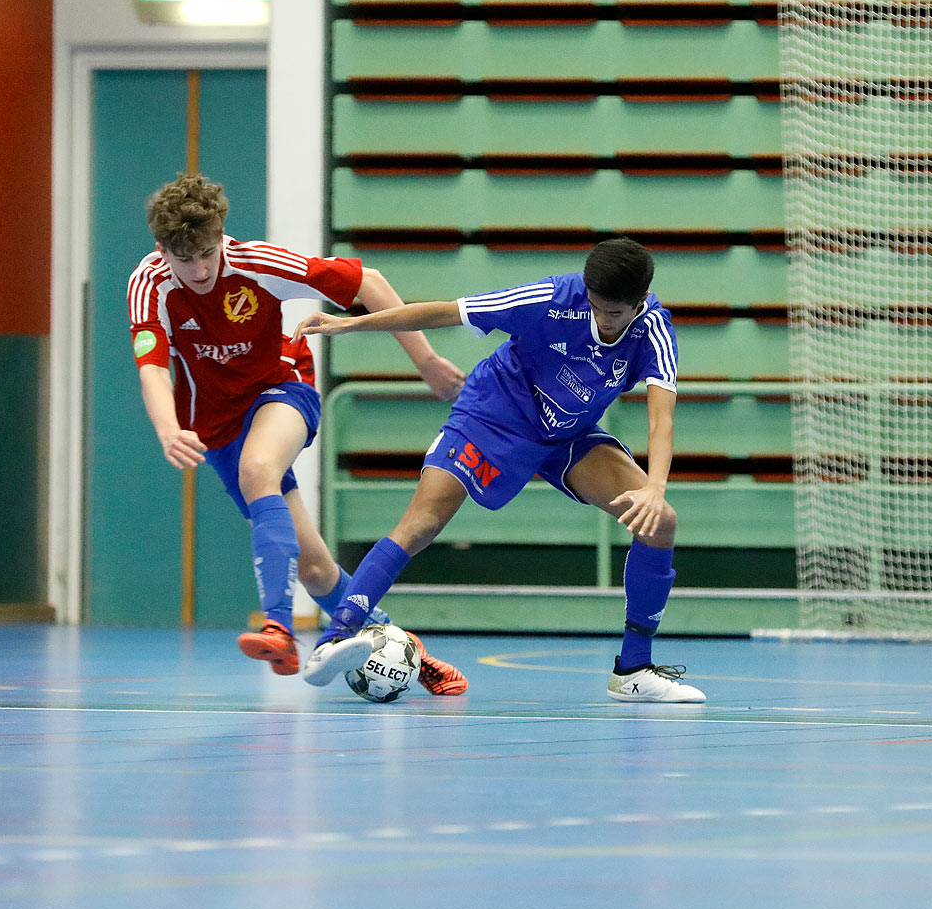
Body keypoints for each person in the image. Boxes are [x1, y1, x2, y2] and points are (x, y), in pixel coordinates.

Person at [292, 237, 705, 703]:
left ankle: (632, 670)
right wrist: (351, 325)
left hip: (565, 436)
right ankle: (333, 640)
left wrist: (655, 487)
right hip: (493, 413)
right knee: (421, 523)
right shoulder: (549, 299)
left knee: (660, 522)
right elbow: (446, 311)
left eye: (615, 313)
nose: (602, 319)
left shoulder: (653, 330)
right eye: (595, 307)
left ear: (641, 301)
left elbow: (661, 416)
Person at [128, 172, 467, 693]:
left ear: (221, 235)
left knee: (259, 467)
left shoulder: (258, 264)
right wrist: (168, 427)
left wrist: (424, 361)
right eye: (183, 258)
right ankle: (413, 656)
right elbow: (152, 366)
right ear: (161, 249)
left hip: (282, 387)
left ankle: (279, 628)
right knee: (315, 569)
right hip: (216, 424)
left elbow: (369, 283)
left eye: (206, 253)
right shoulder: (149, 285)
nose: (198, 270)